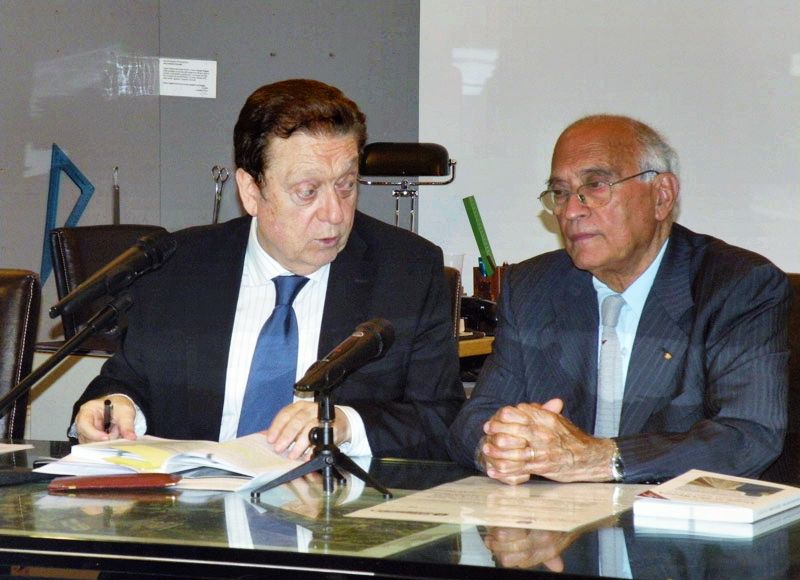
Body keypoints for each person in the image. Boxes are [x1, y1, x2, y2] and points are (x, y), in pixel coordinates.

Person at [72, 79, 464, 460]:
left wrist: (347, 425)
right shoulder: (178, 267)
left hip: (333, 499)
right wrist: (115, 407)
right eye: (307, 191)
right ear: (251, 191)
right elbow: (126, 381)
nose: (335, 213)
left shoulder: (407, 272)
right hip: (197, 496)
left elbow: (442, 419)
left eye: (346, 185)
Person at [449, 114, 790, 483]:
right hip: (558, 514)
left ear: (662, 195)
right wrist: (500, 445)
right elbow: (476, 418)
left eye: (595, 186)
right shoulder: (534, 287)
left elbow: (747, 436)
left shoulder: (737, 286)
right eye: (560, 193)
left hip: (676, 515)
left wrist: (601, 458)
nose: (571, 211)